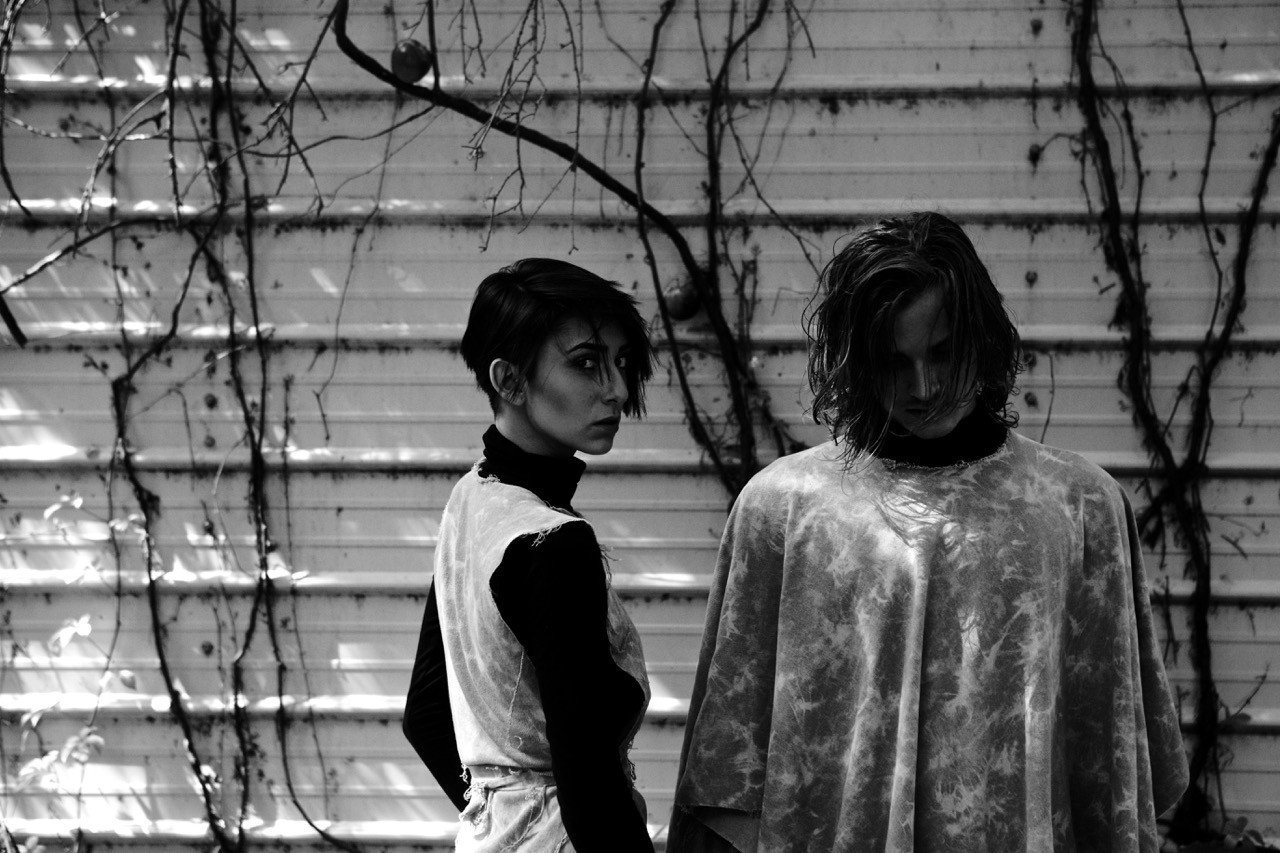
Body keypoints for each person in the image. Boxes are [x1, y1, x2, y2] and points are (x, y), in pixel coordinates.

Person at [668, 212, 1188, 852]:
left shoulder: (1077, 505)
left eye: (943, 352)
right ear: (856, 359)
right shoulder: (785, 508)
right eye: (893, 361)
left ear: (985, 336)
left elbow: (1115, 764)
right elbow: (727, 778)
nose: (925, 386)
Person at [403, 258, 656, 852]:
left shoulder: (472, 502)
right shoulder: (551, 542)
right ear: (509, 381)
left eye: (621, 362)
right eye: (587, 363)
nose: (617, 389)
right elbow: (588, 778)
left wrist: (500, 809)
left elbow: (427, 718)